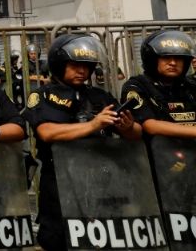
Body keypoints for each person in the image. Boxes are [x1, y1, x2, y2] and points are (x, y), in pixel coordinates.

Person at [23, 33, 141, 250]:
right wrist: (93, 125)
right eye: (75, 65)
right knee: (58, 239)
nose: (82, 71)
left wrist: (129, 127)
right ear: (59, 65)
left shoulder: (99, 96)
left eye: (86, 66)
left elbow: (134, 134)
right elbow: (47, 132)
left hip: (101, 182)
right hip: (60, 182)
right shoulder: (42, 96)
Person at [121, 30, 196, 137]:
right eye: (166, 57)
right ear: (153, 60)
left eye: (178, 58)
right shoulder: (136, 86)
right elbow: (150, 126)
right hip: (157, 150)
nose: (173, 63)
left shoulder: (191, 86)